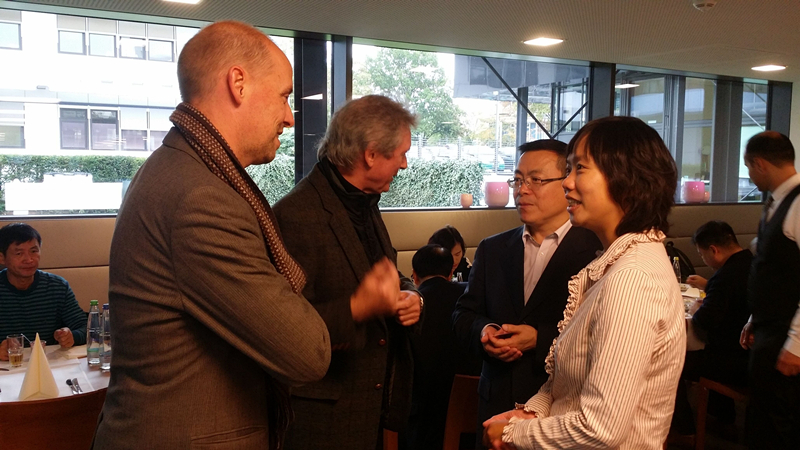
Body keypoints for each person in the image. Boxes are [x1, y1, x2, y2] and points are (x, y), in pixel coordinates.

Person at [88, 21, 395, 450]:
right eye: (284, 96)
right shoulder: (202, 200)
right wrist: (354, 306)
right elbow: (305, 353)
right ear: (238, 83)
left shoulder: (177, 169)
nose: (290, 117)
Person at [484, 116, 685, 449]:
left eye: (579, 168)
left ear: (626, 178)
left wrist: (512, 433)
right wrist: (531, 412)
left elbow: (600, 427)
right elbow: (570, 386)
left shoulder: (633, 277)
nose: (567, 183)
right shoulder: (614, 262)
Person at [273, 95, 422, 450]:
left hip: (368, 410)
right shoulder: (295, 215)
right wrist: (359, 307)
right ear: (370, 155)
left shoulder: (363, 202)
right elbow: (282, 331)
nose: (404, 165)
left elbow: (384, 273)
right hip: (322, 422)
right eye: (401, 153)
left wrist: (410, 295)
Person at [452, 139, 602, 448]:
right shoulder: (493, 248)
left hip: (560, 411)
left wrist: (539, 338)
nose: (522, 190)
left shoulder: (595, 251)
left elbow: (600, 334)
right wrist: (485, 331)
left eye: (536, 180)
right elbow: (462, 315)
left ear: (567, 183)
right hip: (497, 403)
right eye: (518, 180)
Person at [739, 131, 800, 449]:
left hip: (786, 333)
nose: (749, 175)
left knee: (780, 423)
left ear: (759, 164)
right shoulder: (776, 201)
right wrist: (755, 317)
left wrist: (797, 344)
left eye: (748, 167)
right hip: (769, 327)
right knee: (761, 414)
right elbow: (773, 268)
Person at [671, 221, 752, 436]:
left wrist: (696, 309)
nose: (703, 259)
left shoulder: (725, 275)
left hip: (735, 361)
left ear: (713, 250)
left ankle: (684, 429)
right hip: (749, 354)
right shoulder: (751, 262)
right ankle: (723, 418)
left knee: (674, 362)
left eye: (702, 254)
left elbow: (704, 322)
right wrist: (709, 287)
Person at [402, 244, 481, 450]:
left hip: (423, 425)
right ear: (450, 272)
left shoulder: (409, 309)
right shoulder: (472, 303)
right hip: (474, 418)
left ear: (414, 275)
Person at [0, 223, 86, 356]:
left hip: (50, 362)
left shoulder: (57, 286)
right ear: (2, 258)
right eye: (19, 253)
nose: (29, 259)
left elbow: (86, 327)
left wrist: (72, 336)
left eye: (34, 251)